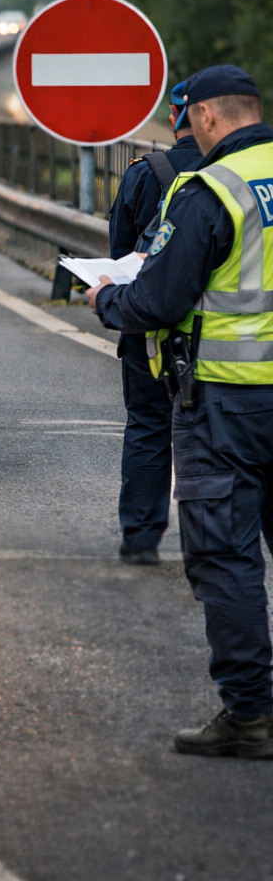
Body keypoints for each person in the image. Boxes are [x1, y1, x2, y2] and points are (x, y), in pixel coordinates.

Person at [87, 64, 273, 759]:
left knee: (225, 559)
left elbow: (158, 300)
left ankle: (251, 715)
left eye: (191, 118)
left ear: (208, 118)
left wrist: (105, 300)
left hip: (227, 405)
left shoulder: (210, 191)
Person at [107, 79, 202, 565]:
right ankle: (208, 544)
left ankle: (141, 539)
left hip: (148, 333)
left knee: (147, 425)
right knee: (211, 438)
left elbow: (119, 256)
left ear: (174, 118)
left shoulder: (146, 173)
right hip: (219, 336)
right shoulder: (232, 175)